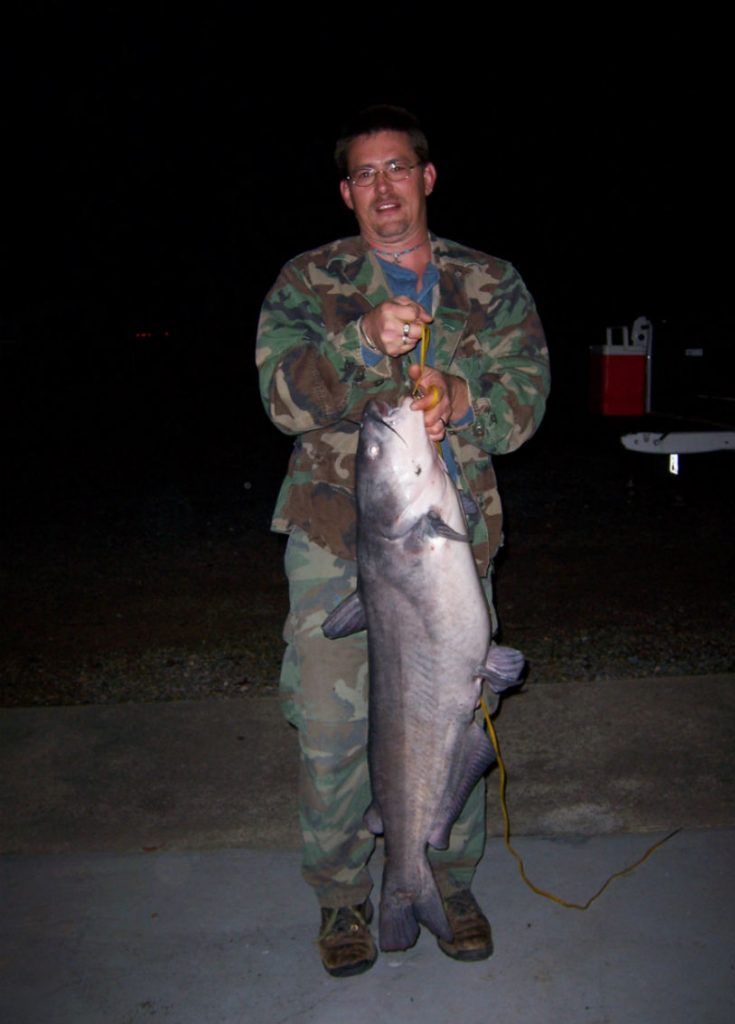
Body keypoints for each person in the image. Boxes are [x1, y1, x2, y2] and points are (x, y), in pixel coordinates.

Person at [256, 106, 549, 977]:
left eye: (399, 170)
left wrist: (462, 399)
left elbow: (526, 403)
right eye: (365, 175)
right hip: (332, 542)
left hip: (447, 547)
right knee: (331, 728)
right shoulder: (308, 282)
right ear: (348, 192)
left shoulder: (489, 282)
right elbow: (281, 399)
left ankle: (444, 880)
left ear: (427, 178)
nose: (384, 188)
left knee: (453, 712)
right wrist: (357, 342)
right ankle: (345, 896)